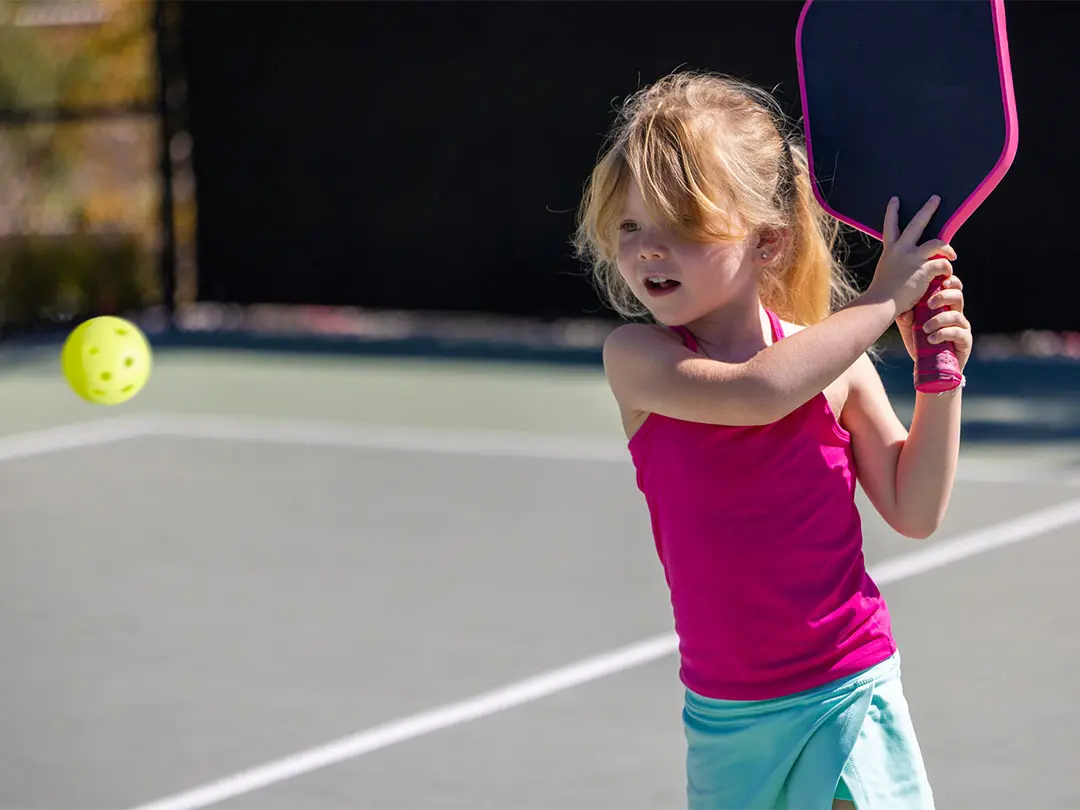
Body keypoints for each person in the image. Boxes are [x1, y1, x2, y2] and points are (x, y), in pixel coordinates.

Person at [573, 70, 971, 809]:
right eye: (631, 226)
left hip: (849, 694)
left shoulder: (839, 367)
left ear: (767, 241)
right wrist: (885, 300)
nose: (648, 250)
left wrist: (938, 379)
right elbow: (759, 392)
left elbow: (916, 510)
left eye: (680, 226)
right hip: (728, 720)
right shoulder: (638, 360)